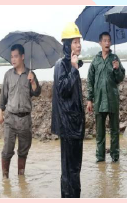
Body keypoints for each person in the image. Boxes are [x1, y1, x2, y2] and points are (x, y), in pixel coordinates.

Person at [51, 22, 85, 198]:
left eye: (79, 41)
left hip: (76, 125)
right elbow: (63, 90)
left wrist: (75, 67)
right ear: (66, 45)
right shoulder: (61, 65)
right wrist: (73, 69)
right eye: (75, 42)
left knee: (76, 168)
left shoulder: (73, 64)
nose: (78, 45)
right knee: (68, 170)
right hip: (67, 125)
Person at [0, 44, 41, 178]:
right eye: (12, 57)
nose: (13, 59)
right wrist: (0, 113)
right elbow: (3, 97)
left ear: (22, 57)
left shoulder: (30, 74)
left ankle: (21, 178)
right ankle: (5, 177)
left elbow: (37, 92)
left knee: (23, 151)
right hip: (10, 118)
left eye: (16, 56)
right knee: (7, 150)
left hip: (25, 119)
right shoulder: (8, 75)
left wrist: (33, 81)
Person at [87, 32, 125, 163]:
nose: (107, 43)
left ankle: (115, 156)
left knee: (115, 131)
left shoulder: (115, 59)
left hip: (112, 100)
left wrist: (117, 69)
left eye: (109, 40)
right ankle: (100, 157)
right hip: (98, 100)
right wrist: (89, 100)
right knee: (100, 132)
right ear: (100, 43)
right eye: (104, 40)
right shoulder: (95, 60)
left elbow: (120, 78)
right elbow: (90, 81)